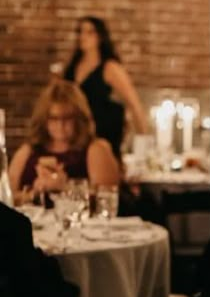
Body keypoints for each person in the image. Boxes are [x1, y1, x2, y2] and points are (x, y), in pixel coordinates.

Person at [9, 80, 120, 195]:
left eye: (67, 118)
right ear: (44, 120)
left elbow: (105, 200)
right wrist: (35, 192)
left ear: (78, 119)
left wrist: (66, 187)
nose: (60, 125)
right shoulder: (28, 151)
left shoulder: (95, 149)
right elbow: (8, 197)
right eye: (53, 118)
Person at [63, 16, 147, 158]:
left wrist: (143, 144)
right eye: (80, 32)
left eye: (90, 32)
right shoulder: (71, 67)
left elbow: (134, 103)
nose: (83, 37)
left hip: (102, 134)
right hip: (74, 135)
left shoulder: (110, 67)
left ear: (100, 37)